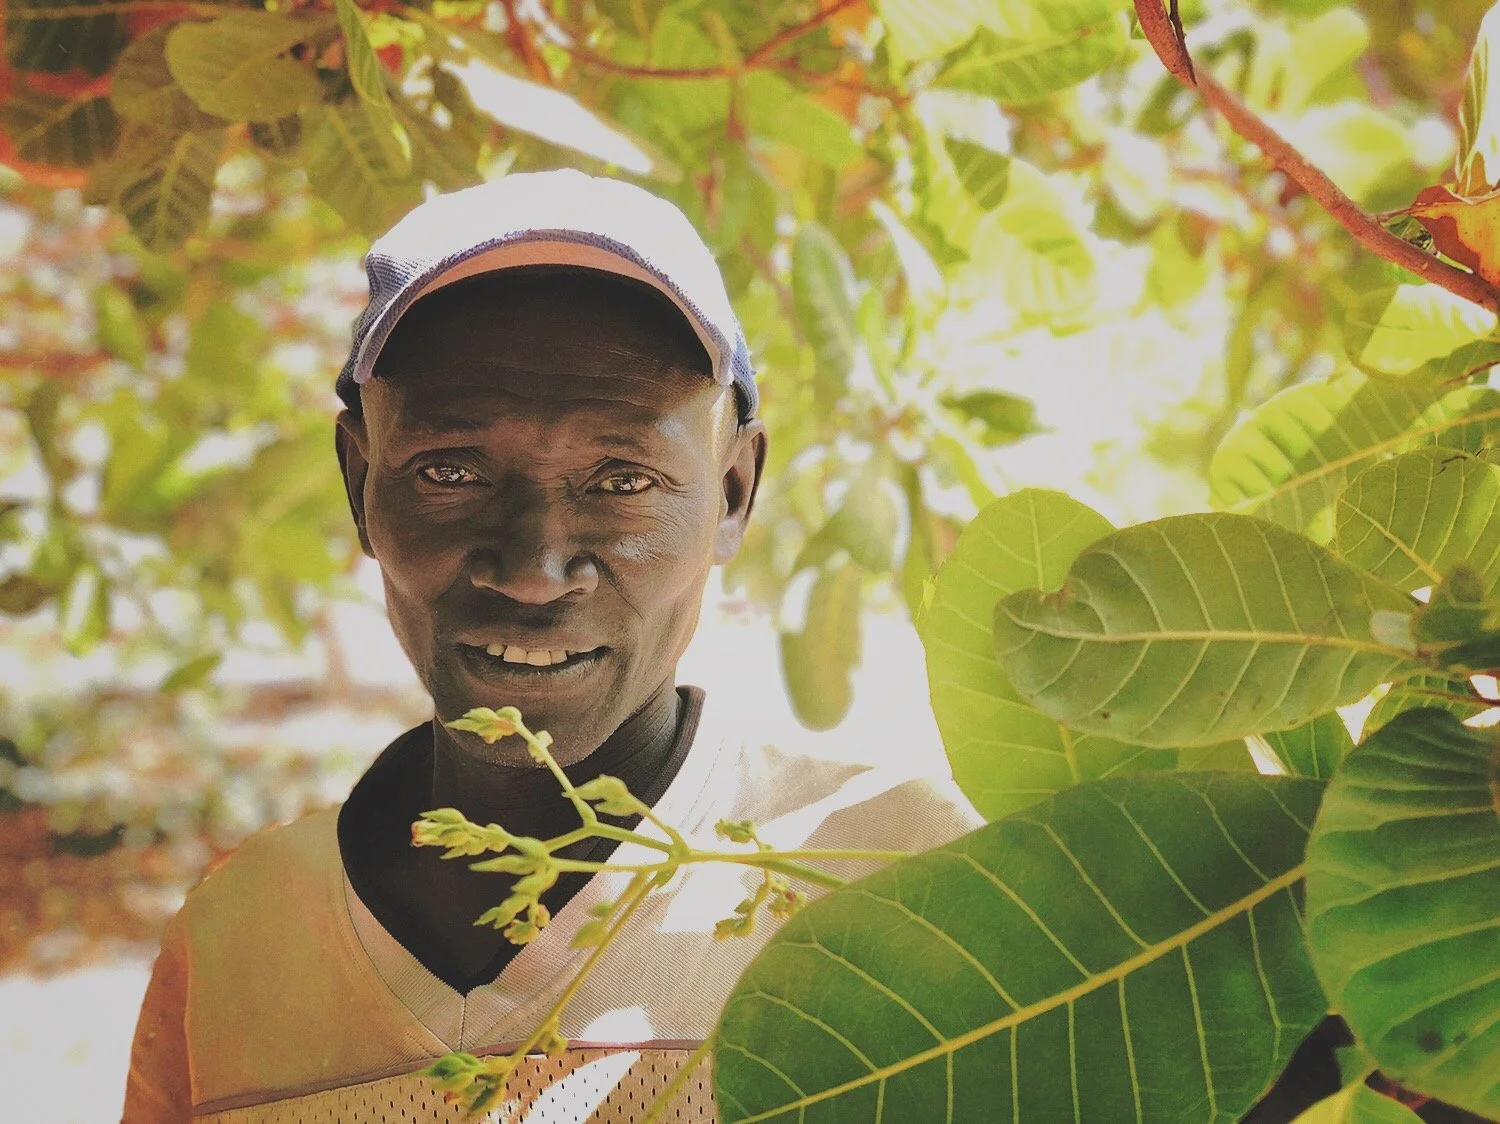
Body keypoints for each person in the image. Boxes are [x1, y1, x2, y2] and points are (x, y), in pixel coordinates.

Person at [122, 170, 981, 1123]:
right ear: (359, 481)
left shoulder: (905, 878)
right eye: (451, 471)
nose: (533, 567)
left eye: (622, 480)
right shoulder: (238, 938)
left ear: (733, 494)